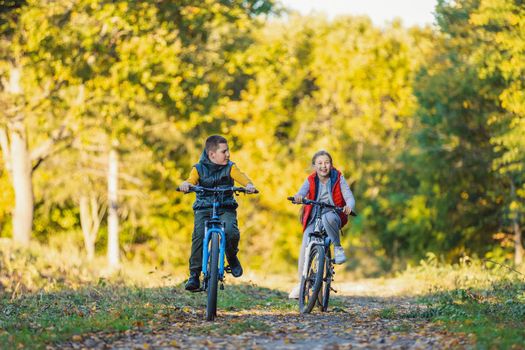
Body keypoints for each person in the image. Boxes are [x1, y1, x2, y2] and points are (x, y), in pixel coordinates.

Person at [179, 135, 257, 291]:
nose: (228, 154)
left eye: (228, 151)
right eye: (224, 151)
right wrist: (186, 184)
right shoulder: (198, 168)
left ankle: (232, 257)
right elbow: (191, 180)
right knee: (199, 236)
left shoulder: (230, 167)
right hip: (204, 208)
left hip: (225, 207)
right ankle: (194, 275)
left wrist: (248, 185)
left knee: (231, 232)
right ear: (212, 154)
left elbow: (241, 176)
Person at [288, 150, 355, 299]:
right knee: (305, 244)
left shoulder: (338, 178)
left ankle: (337, 248)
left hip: (333, 213)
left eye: (326, 163)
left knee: (328, 218)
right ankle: (303, 283)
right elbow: (301, 192)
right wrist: (299, 197)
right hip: (314, 216)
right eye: (320, 163)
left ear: (331, 165)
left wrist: (349, 206)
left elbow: (349, 196)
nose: (323, 166)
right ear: (314, 166)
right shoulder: (311, 180)